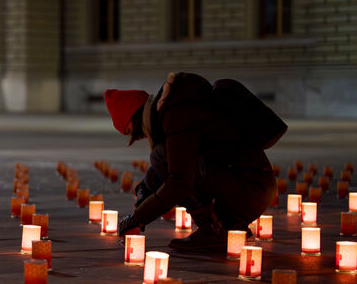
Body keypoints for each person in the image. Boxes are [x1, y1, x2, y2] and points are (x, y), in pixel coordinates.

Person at [105, 72, 285, 251]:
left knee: (161, 157)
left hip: (249, 188)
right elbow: (177, 160)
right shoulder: (177, 106)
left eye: (131, 132)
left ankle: (211, 231)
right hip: (252, 186)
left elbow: (179, 181)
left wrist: (138, 218)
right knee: (160, 165)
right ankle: (229, 226)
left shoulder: (176, 113)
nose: (138, 138)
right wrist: (146, 187)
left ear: (136, 115)